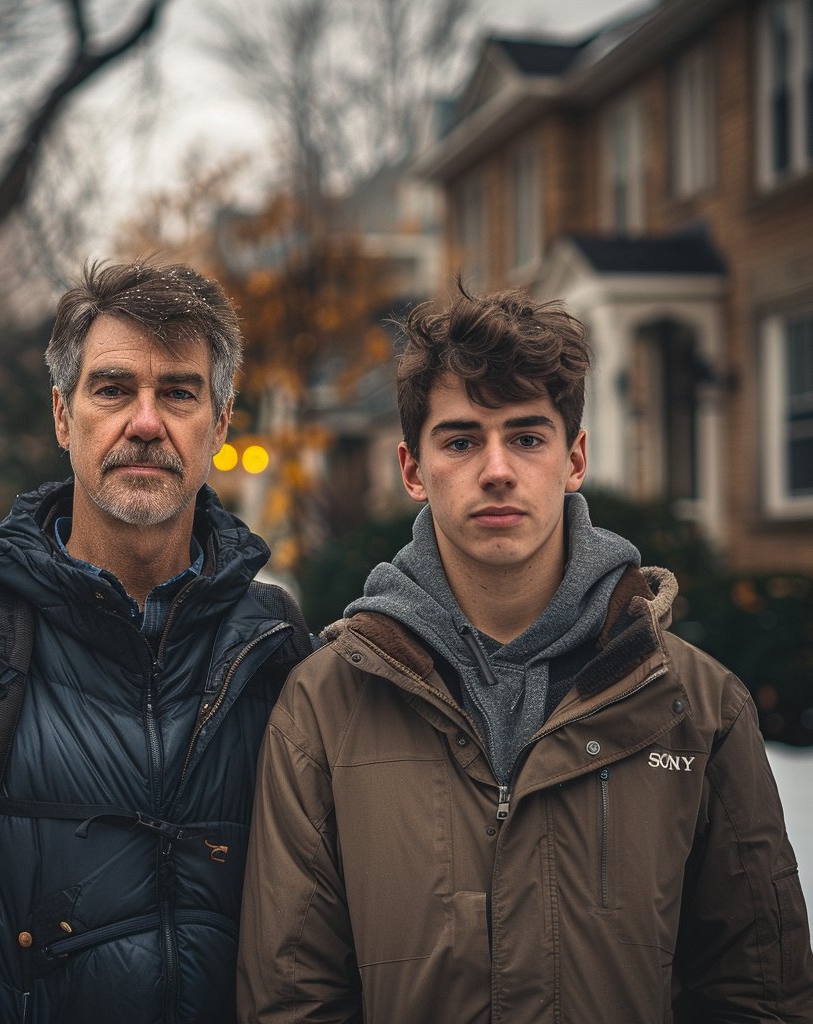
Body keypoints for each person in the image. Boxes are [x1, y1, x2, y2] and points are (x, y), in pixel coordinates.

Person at [237, 284, 813, 1022]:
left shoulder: (697, 705)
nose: (498, 468)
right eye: (461, 439)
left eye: (527, 437)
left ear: (573, 460)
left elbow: (757, 993)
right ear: (414, 470)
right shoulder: (323, 707)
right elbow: (291, 997)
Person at [0, 259, 313, 1023]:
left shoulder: (280, 652)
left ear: (220, 426)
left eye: (180, 392)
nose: (146, 421)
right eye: (113, 388)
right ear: (64, 417)